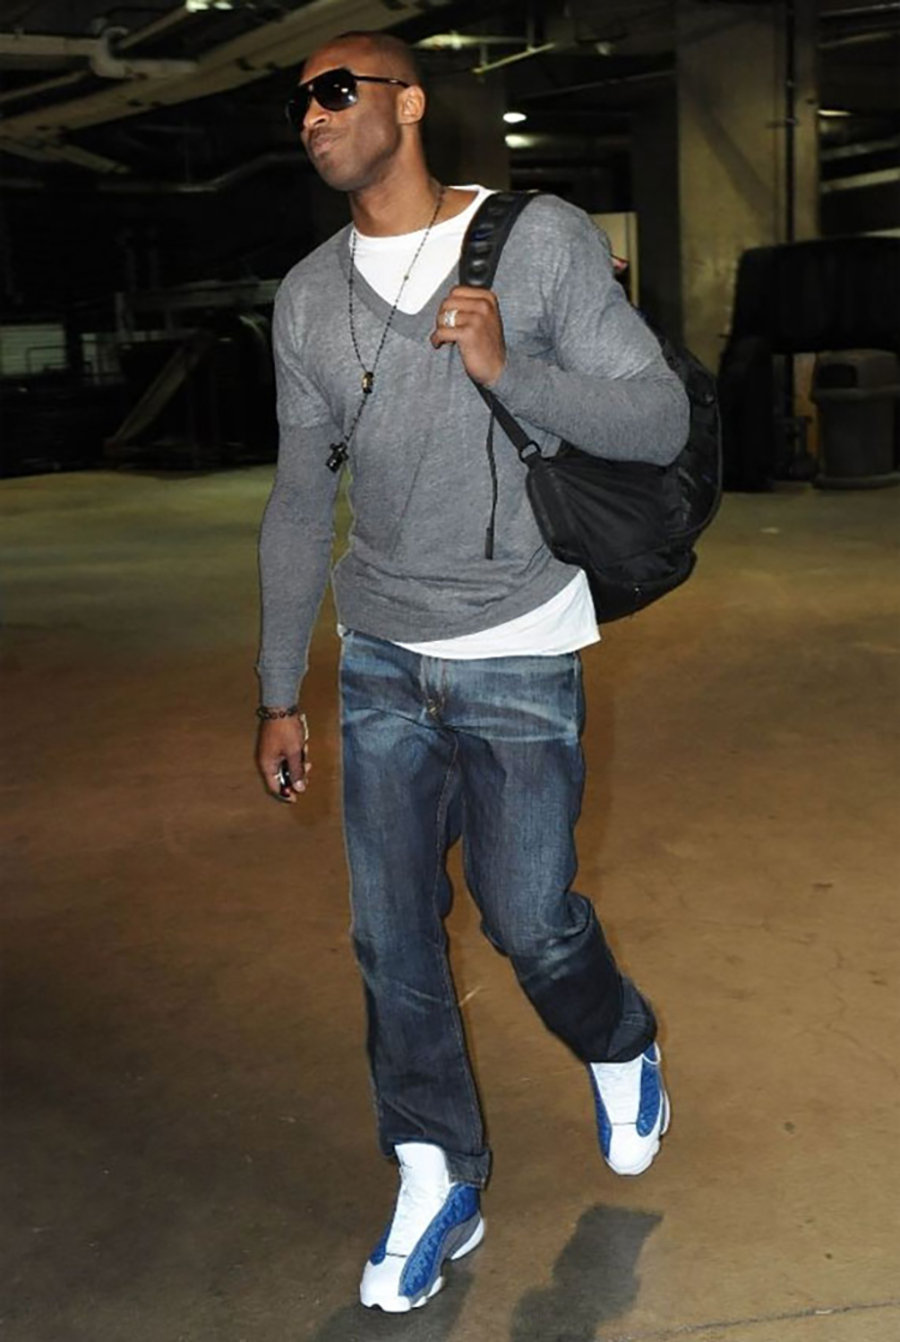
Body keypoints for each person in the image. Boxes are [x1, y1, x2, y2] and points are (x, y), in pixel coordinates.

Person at [255, 29, 689, 1315]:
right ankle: (435, 1172)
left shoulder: (536, 241)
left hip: (518, 642)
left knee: (529, 917)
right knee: (390, 937)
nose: (313, 116)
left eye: (337, 91)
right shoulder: (306, 297)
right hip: (382, 654)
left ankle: (619, 1038)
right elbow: (299, 500)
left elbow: (658, 417)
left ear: (409, 103)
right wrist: (280, 689)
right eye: (300, 102)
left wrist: (515, 370)